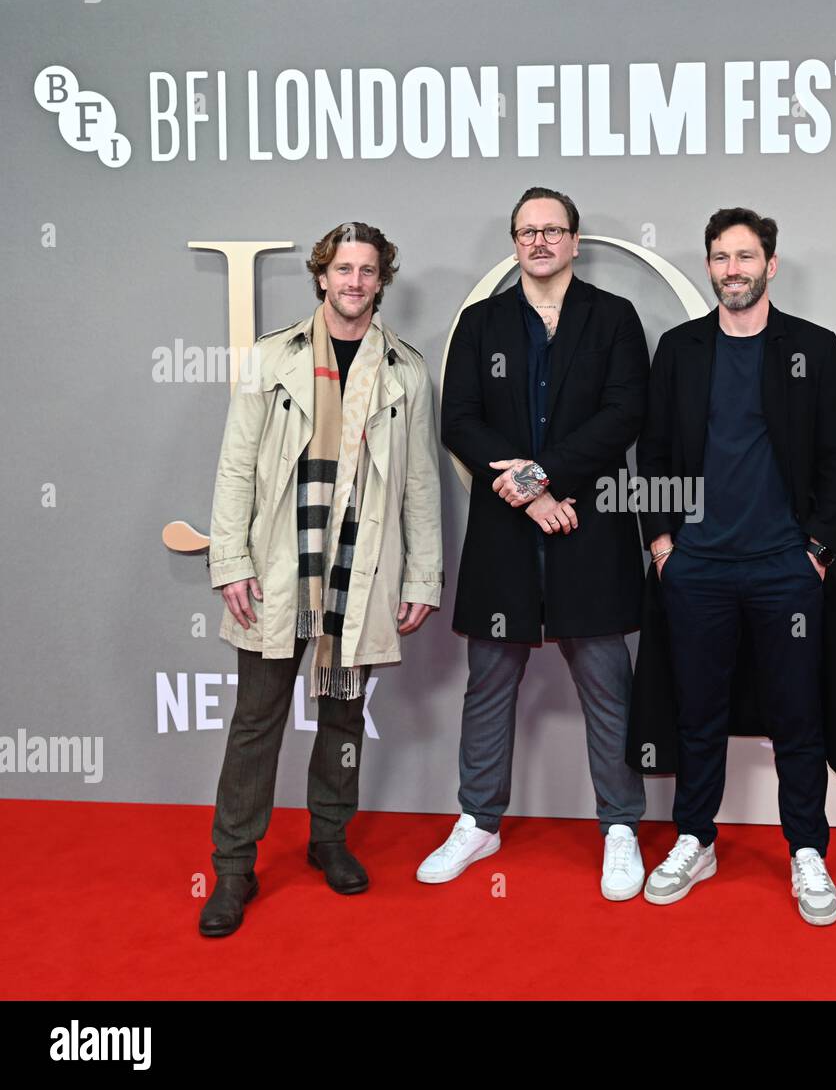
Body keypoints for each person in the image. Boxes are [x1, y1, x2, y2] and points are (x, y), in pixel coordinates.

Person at [199, 221, 442, 936]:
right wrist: (231, 561)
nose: (355, 281)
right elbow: (236, 467)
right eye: (343, 268)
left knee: (343, 716)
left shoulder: (405, 369)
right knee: (256, 721)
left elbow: (421, 484)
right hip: (280, 563)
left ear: (381, 279)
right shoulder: (272, 357)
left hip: (357, 567)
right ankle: (233, 868)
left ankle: (329, 839)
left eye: (368, 270)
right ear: (322, 275)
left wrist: (422, 575)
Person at [630, 207, 836, 926]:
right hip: (698, 567)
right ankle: (695, 840)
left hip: (785, 571)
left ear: (770, 263)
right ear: (709, 267)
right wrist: (663, 545)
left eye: (744, 256)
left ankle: (806, 851)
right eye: (720, 258)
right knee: (697, 716)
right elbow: (655, 454)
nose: (732, 269)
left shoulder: (814, 349)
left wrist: (817, 551)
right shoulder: (679, 349)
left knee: (798, 718)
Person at [422, 187, 649, 900]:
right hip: (508, 536)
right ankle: (478, 820)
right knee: (488, 686)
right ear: (514, 242)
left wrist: (543, 474)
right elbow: (458, 419)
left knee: (609, 687)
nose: (541, 241)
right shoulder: (481, 323)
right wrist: (531, 494)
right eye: (528, 231)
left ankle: (619, 826)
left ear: (575, 242)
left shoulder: (613, 319)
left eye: (554, 230)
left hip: (589, 529)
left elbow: (625, 415)